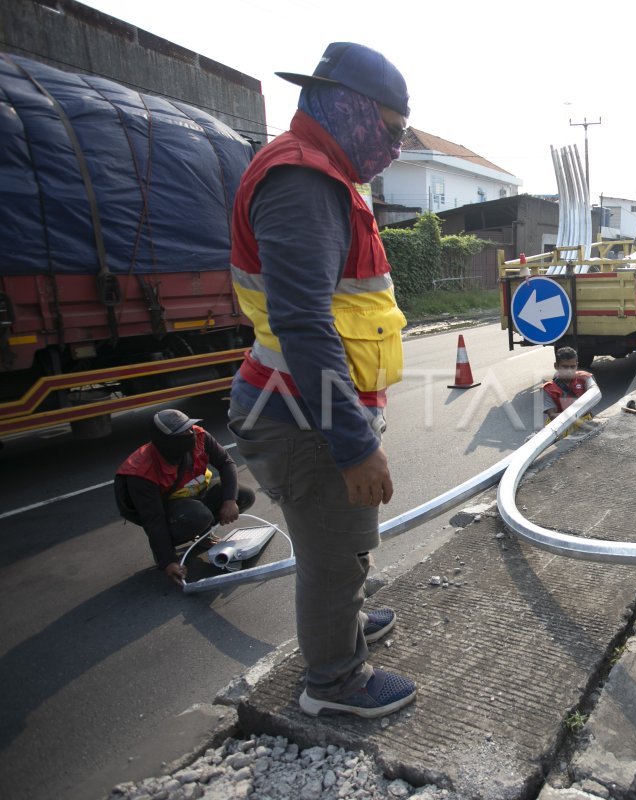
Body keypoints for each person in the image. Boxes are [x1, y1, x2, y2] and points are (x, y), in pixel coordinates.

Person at [226, 42, 415, 719]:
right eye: (390, 131)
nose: (393, 148)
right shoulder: (303, 179)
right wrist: (354, 444)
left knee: (343, 542)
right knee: (334, 552)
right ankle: (334, 683)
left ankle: (347, 625)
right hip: (301, 411)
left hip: (305, 403)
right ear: (350, 109)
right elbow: (304, 324)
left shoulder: (325, 174)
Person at [115, 409, 255, 587]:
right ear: (166, 441)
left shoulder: (199, 435)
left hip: (198, 494)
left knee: (244, 496)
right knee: (198, 517)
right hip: (173, 510)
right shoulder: (141, 472)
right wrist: (168, 561)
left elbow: (226, 463)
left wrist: (229, 500)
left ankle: (203, 533)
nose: (191, 433)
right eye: (183, 432)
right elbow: (153, 519)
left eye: (189, 428)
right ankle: (168, 546)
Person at [542, 346, 596, 423]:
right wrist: (577, 414)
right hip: (560, 427)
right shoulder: (548, 389)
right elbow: (552, 415)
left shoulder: (586, 378)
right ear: (556, 366)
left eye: (572, 367)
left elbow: (593, 399)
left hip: (584, 422)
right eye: (565, 367)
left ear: (577, 365)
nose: (569, 371)